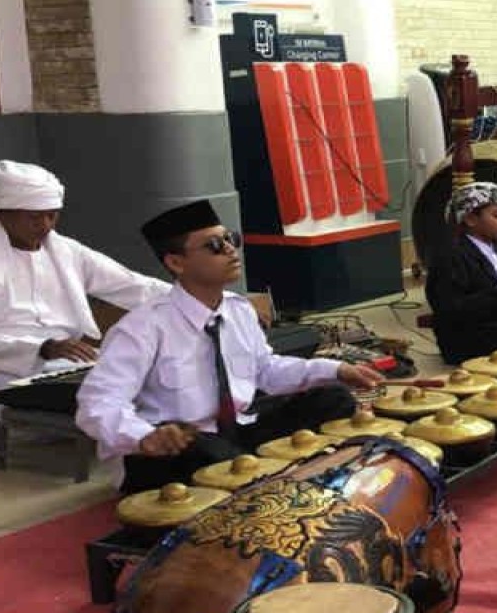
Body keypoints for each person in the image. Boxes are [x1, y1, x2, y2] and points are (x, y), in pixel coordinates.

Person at [75, 200, 384, 494]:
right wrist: (144, 436)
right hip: (175, 447)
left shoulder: (238, 309)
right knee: (212, 454)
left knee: (333, 399)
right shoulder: (142, 327)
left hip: (236, 430)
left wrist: (337, 369)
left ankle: (271, 476)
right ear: (175, 262)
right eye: (214, 245)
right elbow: (97, 403)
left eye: (230, 239)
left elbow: (266, 370)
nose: (230, 250)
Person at [0, 160, 169, 435]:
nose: (45, 225)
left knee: (138, 397)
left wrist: (199, 295)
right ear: (2, 214)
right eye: (34, 217)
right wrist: (41, 347)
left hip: (65, 362)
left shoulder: (68, 252)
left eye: (52, 215)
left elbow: (134, 286)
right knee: (41, 428)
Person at [425, 181, 497, 364]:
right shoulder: (450, 256)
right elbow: (451, 310)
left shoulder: (496, 250)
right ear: (470, 219)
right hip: (467, 341)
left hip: (496, 330)